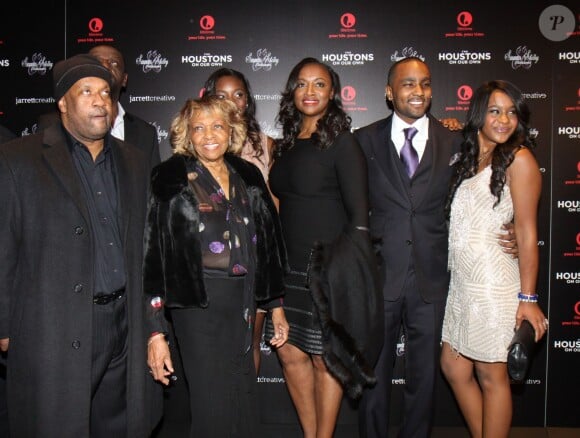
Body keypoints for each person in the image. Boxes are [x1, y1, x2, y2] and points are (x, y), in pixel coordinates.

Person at [354, 57, 517, 438]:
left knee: (424, 382)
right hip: (379, 278)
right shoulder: (362, 141)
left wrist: (510, 226)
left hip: (433, 281)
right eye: (408, 84)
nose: (418, 92)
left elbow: (490, 190)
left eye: (425, 84)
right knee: (372, 379)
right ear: (389, 92)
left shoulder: (459, 140)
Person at [0, 54, 160, 437]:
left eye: (105, 92)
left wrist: (152, 325)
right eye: (86, 91)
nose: (99, 100)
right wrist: (4, 324)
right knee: (57, 424)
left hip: (125, 323)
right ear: (62, 102)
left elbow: (148, 248)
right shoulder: (18, 158)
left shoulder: (135, 162)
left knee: (119, 425)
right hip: (53, 325)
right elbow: (3, 247)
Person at [144, 95, 289, 437]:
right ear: (187, 134)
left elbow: (268, 242)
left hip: (244, 300)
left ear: (231, 130)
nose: (209, 134)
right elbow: (152, 254)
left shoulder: (248, 173)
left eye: (218, 126)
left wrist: (276, 305)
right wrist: (154, 330)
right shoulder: (169, 176)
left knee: (243, 397)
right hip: (198, 304)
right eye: (199, 127)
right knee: (212, 405)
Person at [266, 57, 383, 438]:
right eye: (302, 84)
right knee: (289, 353)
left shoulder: (342, 143)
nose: (310, 92)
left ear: (333, 92)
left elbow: (360, 217)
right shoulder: (284, 145)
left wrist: (349, 275)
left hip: (326, 272)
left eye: (319, 84)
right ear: (292, 92)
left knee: (323, 359)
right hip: (287, 269)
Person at [440, 80, 547, 438]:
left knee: (492, 375)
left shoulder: (520, 159)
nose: (504, 120)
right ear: (478, 114)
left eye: (512, 112)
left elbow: (528, 234)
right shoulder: (468, 157)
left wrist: (528, 300)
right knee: (453, 368)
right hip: (463, 285)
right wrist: (448, 125)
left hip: (494, 286)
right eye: (495, 111)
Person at [202, 68, 276, 372]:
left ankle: (244, 416)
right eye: (222, 95)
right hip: (210, 262)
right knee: (211, 347)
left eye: (238, 94)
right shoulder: (200, 142)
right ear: (209, 98)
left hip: (254, 260)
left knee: (250, 344)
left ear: (247, 101)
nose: (231, 101)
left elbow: (273, 210)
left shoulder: (266, 145)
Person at [38, 45, 161, 167]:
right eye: (96, 61)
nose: (105, 66)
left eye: (113, 63)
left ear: (124, 79)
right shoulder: (48, 126)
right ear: (63, 102)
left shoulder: (145, 133)